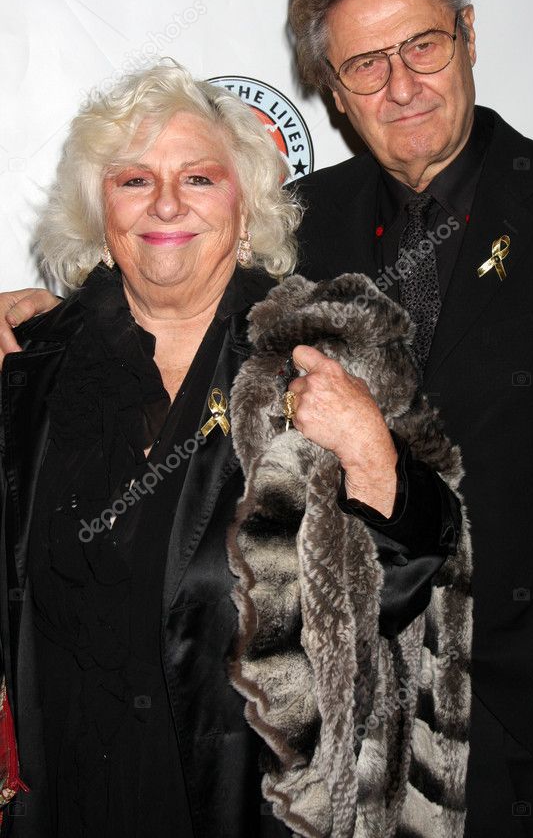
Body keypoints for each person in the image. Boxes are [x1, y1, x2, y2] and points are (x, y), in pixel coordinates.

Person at [3, 0, 533, 836]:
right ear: (331, 87)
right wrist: (50, 320)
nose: (400, 85)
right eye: (365, 63)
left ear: (469, 37)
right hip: (348, 750)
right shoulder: (303, 226)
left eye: (423, 46)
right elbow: (164, 291)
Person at [0, 61, 468, 837]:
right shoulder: (32, 369)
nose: (168, 203)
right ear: (98, 212)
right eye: (134, 181)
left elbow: (414, 591)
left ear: (246, 209)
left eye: (199, 178)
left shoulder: (329, 352)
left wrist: (373, 459)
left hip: (252, 807)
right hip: (67, 797)